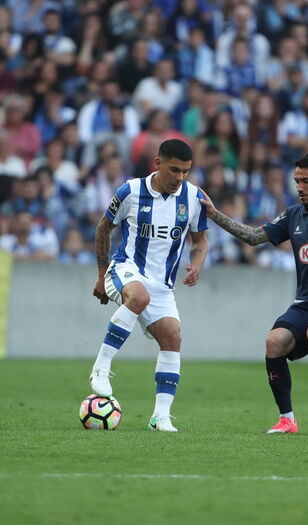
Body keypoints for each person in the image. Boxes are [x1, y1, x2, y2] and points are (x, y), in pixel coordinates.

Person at [198, 152, 308, 434]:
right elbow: (254, 237)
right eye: (296, 181)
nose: (300, 187)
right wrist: (215, 214)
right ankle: (287, 419)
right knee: (274, 342)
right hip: (305, 301)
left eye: (306, 181)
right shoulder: (293, 214)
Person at [88, 139, 209, 433]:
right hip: (126, 268)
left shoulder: (193, 198)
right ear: (158, 164)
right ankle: (101, 367)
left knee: (172, 336)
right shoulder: (130, 191)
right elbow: (104, 229)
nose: (180, 178)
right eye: (175, 170)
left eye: (186, 172)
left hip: (162, 286)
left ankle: (160, 417)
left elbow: (200, 241)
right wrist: (102, 273)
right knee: (138, 296)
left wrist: (197, 265)